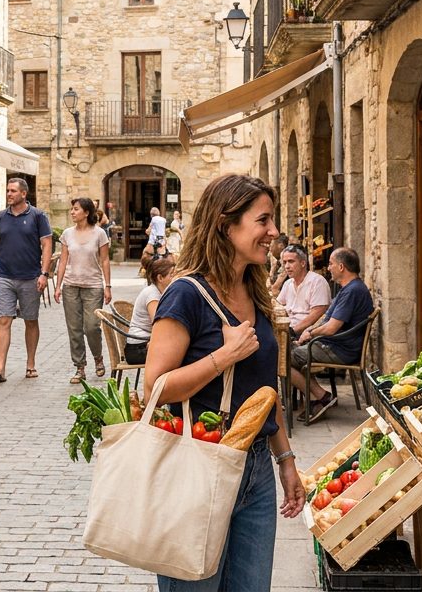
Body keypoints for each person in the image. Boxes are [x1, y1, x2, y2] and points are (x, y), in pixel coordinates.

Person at [144, 174, 304, 590]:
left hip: (255, 470)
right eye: (263, 220)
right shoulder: (186, 294)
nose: (273, 232)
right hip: (196, 464)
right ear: (225, 223)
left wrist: (285, 460)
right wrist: (223, 356)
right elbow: (155, 387)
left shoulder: (256, 292)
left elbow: (267, 390)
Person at [289, 247, 373, 422]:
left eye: (331, 264)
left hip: (340, 349)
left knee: (281, 358)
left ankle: (320, 397)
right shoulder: (349, 288)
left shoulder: (352, 291)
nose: (328, 268)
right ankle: (317, 398)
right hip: (335, 345)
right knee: (287, 352)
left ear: (341, 267)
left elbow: (331, 328)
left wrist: (310, 333)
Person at [0, 177, 52, 383]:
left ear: (24, 194)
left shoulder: (38, 216)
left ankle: (30, 364)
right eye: (7, 191)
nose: (9, 194)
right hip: (4, 276)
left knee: (30, 320)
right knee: (3, 320)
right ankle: (0, 368)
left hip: (30, 277)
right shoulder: (0, 217)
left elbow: (47, 244)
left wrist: (44, 273)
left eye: (13, 191)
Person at [56, 197, 113, 383]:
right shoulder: (67, 234)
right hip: (70, 285)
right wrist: (57, 286)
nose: (72, 212)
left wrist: (108, 285)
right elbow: (63, 260)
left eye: (76, 209)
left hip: (93, 286)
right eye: (72, 209)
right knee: (74, 329)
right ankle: (79, 367)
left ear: (86, 212)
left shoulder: (99, 234)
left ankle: (98, 357)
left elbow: (105, 260)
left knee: (91, 327)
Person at [125, 255, 175, 365]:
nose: (175, 278)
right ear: (160, 278)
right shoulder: (152, 294)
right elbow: (158, 324)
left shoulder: (159, 292)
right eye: (171, 275)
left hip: (144, 344)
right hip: (138, 349)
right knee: (180, 355)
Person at [276, 245, 330, 339]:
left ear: (303, 263)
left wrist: (292, 332)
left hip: (305, 335)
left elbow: (316, 314)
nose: (287, 266)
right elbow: (277, 305)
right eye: (284, 262)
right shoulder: (288, 284)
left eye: (291, 261)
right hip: (286, 330)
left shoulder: (317, 282)